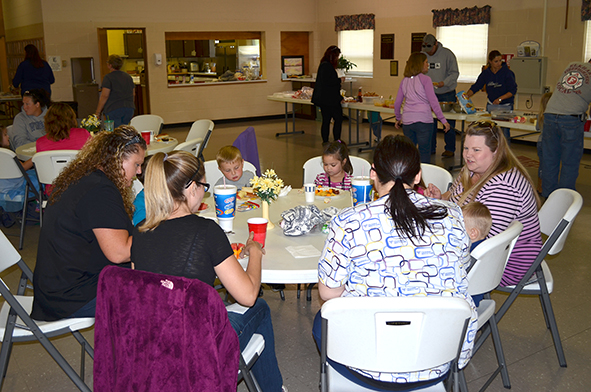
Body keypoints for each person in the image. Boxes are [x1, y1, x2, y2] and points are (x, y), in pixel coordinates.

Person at [314, 135, 477, 387]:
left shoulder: (348, 221)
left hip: (365, 363)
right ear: (418, 175)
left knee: (321, 320)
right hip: (437, 357)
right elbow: (460, 267)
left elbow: (328, 292)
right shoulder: (452, 215)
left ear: (372, 174)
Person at [131, 151, 285, 392]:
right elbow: (247, 295)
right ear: (191, 187)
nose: (205, 192)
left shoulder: (139, 232)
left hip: (153, 345)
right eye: (203, 185)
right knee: (260, 307)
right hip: (198, 348)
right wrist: (254, 251)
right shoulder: (206, 232)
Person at [31, 126, 146, 321]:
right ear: (118, 159)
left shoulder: (86, 178)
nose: (139, 171)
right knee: (160, 283)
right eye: (136, 164)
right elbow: (119, 253)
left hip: (57, 285)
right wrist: (163, 231)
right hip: (70, 296)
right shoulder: (100, 191)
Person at [425, 120, 542, 286]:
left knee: (423, 266)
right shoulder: (473, 169)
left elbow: (486, 241)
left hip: (506, 263)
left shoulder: (504, 186)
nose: (468, 155)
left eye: (476, 150)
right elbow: (457, 195)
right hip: (477, 247)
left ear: (495, 151)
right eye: (466, 148)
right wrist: (443, 198)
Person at [541, 60, 591, 197]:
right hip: (571, 119)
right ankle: (563, 202)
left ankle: (548, 198)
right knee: (570, 163)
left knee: (549, 161)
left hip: (550, 115)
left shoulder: (572, 65)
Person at [394, 52, 450, 163]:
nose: (428, 65)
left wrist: (398, 118)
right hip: (424, 121)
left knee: (410, 153)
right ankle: (423, 178)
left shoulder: (404, 81)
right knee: (424, 153)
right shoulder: (426, 79)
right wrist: (443, 120)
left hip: (408, 122)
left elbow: (397, 103)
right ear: (420, 64)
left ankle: (410, 177)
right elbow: (433, 101)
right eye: (426, 62)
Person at [464, 50, 518, 142]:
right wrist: (466, 95)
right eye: (496, 61)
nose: (499, 63)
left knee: (504, 132)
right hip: (491, 105)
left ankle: (503, 154)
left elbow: (512, 91)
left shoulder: (507, 73)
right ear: (490, 61)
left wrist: (500, 99)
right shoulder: (486, 73)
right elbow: (477, 86)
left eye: (500, 61)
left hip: (505, 106)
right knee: (490, 130)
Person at [422, 34, 459, 158]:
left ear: (436, 44)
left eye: (430, 49)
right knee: (429, 123)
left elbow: (454, 73)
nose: (428, 52)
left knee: (448, 123)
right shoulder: (423, 55)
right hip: (429, 94)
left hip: (447, 93)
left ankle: (450, 148)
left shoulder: (448, 55)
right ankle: (431, 148)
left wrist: (444, 83)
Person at [311, 45, 343, 144]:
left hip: (324, 100)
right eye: (337, 56)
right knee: (338, 119)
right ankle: (336, 140)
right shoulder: (327, 66)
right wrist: (339, 81)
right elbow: (331, 84)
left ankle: (325, 140)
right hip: (330, 100)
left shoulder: (323, 65)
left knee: (326, 120)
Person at [95, 55, 136, 128]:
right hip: (129, 108)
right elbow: (133, 94)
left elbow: (105, 95)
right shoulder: (128, 77)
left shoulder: (108, 78)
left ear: (110, 65)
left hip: (113, 108)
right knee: (125, 130)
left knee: (114, 132)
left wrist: (98, 112)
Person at [535, 92, 552, 194]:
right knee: (549, 166)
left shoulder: (540, 116)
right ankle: (544, 187)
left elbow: (537, 128)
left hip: (541, 142)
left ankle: (539, 186)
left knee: (542, 165)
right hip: (549, 144)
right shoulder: (553, 117)